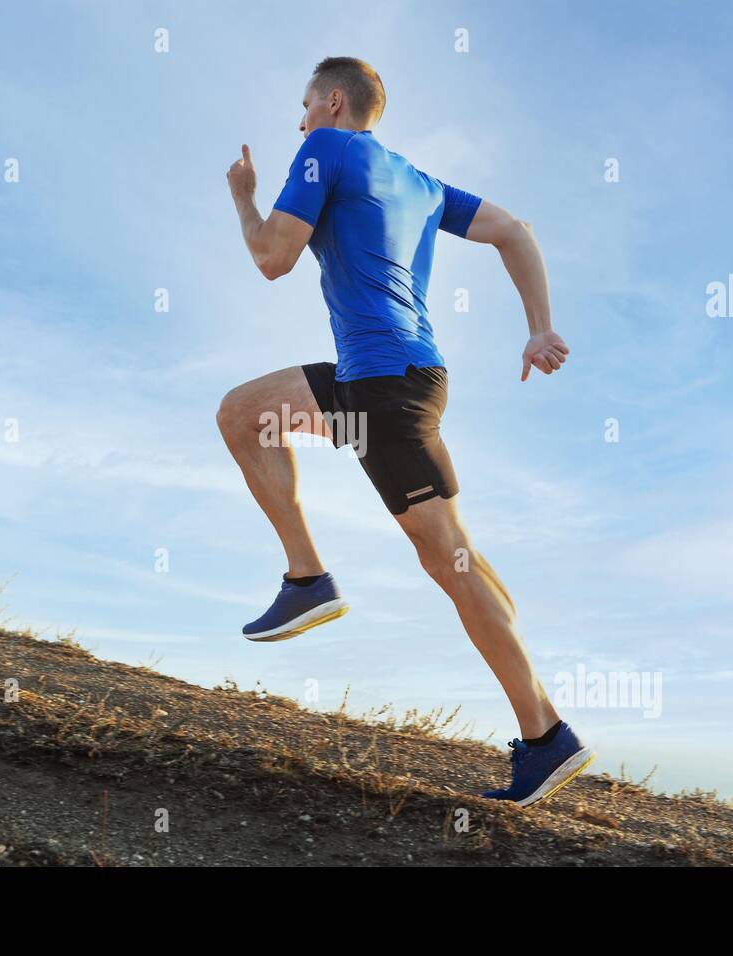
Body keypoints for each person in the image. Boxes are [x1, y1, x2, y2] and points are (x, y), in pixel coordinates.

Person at [219, 57, 592, 805]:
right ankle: (307, 579)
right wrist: (538, 328)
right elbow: (514, 229)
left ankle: (546, 736)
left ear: (331, 102)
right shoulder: (420, 182)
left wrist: (244, 199)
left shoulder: (325, 149)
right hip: (380, 378)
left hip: (385, 389)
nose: (297, 123)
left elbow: (272, 259)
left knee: (450, 562)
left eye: (303, 107)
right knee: (244, 412)